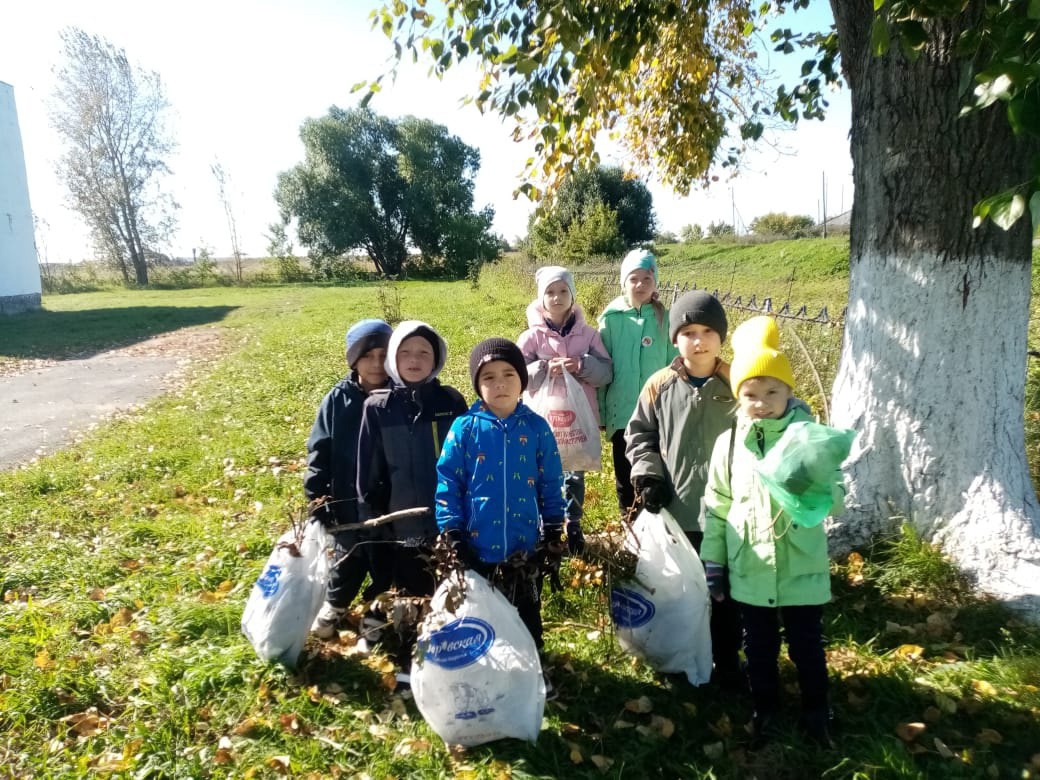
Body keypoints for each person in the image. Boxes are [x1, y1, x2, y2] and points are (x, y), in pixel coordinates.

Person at [701, 316, 845, 747]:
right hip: (750, 566)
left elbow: (834, 498)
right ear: (737, 396)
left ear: (788, 393)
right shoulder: (728, 445)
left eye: (771, 392)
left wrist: (811, 486)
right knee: (758, 646)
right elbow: (717, 506)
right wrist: (715, 561)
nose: (761, 402)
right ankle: (765, 709)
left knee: (807, 644)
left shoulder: (807, 440)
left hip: (800, 565)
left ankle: (817, 709)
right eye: (750, 394)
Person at [624, 291, 744, 688]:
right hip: (678, 509)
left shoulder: (738, 382)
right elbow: (639, 434)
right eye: (688, 331)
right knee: (681, 591)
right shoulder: (660, 384)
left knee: (726, 592)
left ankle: (726, 659)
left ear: (720, 335)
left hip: (730, 513)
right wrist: (648, 474)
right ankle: (679, 656)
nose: (699, 340)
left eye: (708, 330)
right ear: (675, 338)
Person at [435, 337, 568, 651]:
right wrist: (452, 531)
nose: (500, 384)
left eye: (509, 374)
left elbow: (551, 479)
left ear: (522, 380)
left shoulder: (537, 428)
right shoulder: (464, 428)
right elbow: (448, 482)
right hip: (476, 548)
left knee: (527, 617)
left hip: (524, 550)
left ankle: (532, 669)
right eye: (488, 377)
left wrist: (552, 525)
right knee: (482, 620)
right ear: (477, 385)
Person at [356, 320, 468, 676]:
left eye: (423, 352)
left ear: (436, 358)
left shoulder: (450, 402)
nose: (414, 359)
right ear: (393, 358)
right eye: (405, 352)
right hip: (399, 520)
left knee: (441, 585)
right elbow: (368, 470)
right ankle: (407, 658)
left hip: (444, 518)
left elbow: (465, 462)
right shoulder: (377, 407)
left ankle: (443, 644)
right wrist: (372, 517)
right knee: (405, 589)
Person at [305, 318, 393, 639]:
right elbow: (319, 449)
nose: (376, 364)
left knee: (386, 559)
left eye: (383, 355)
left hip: (389, 501)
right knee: (348, 556)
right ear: (353, 359)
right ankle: (336, 604)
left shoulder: (399, 396)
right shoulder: (338, 400)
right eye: (367, 356)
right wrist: (317, 497)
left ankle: (376, 612)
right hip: (345, 499)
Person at [517, 266, 612, 555]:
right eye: (550, 292)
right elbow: (518, 375)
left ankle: (573, 524)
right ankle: (547, 526)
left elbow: (606, 372)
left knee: (574, 473)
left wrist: (581, 365)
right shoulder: (532, 338)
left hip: (576, 421)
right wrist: (543, 368)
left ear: (572, 296)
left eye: (562, 291)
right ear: (541, 298)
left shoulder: (589, 335)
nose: (556, 297)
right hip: (543, 420)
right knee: (542, 471)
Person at [598, 249, 676, 515]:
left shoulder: (665, 319)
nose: (640, 285)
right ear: (624, 282)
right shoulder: (610, 320)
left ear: (656, 283)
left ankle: (655, 527)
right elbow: (603, 367)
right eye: (634, 279)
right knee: (624, 471)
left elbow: (674, 364)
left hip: (657, 412)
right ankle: (629, 523)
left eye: (647, 278)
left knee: (655, 470)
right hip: (622, 412)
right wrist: (601, 410)